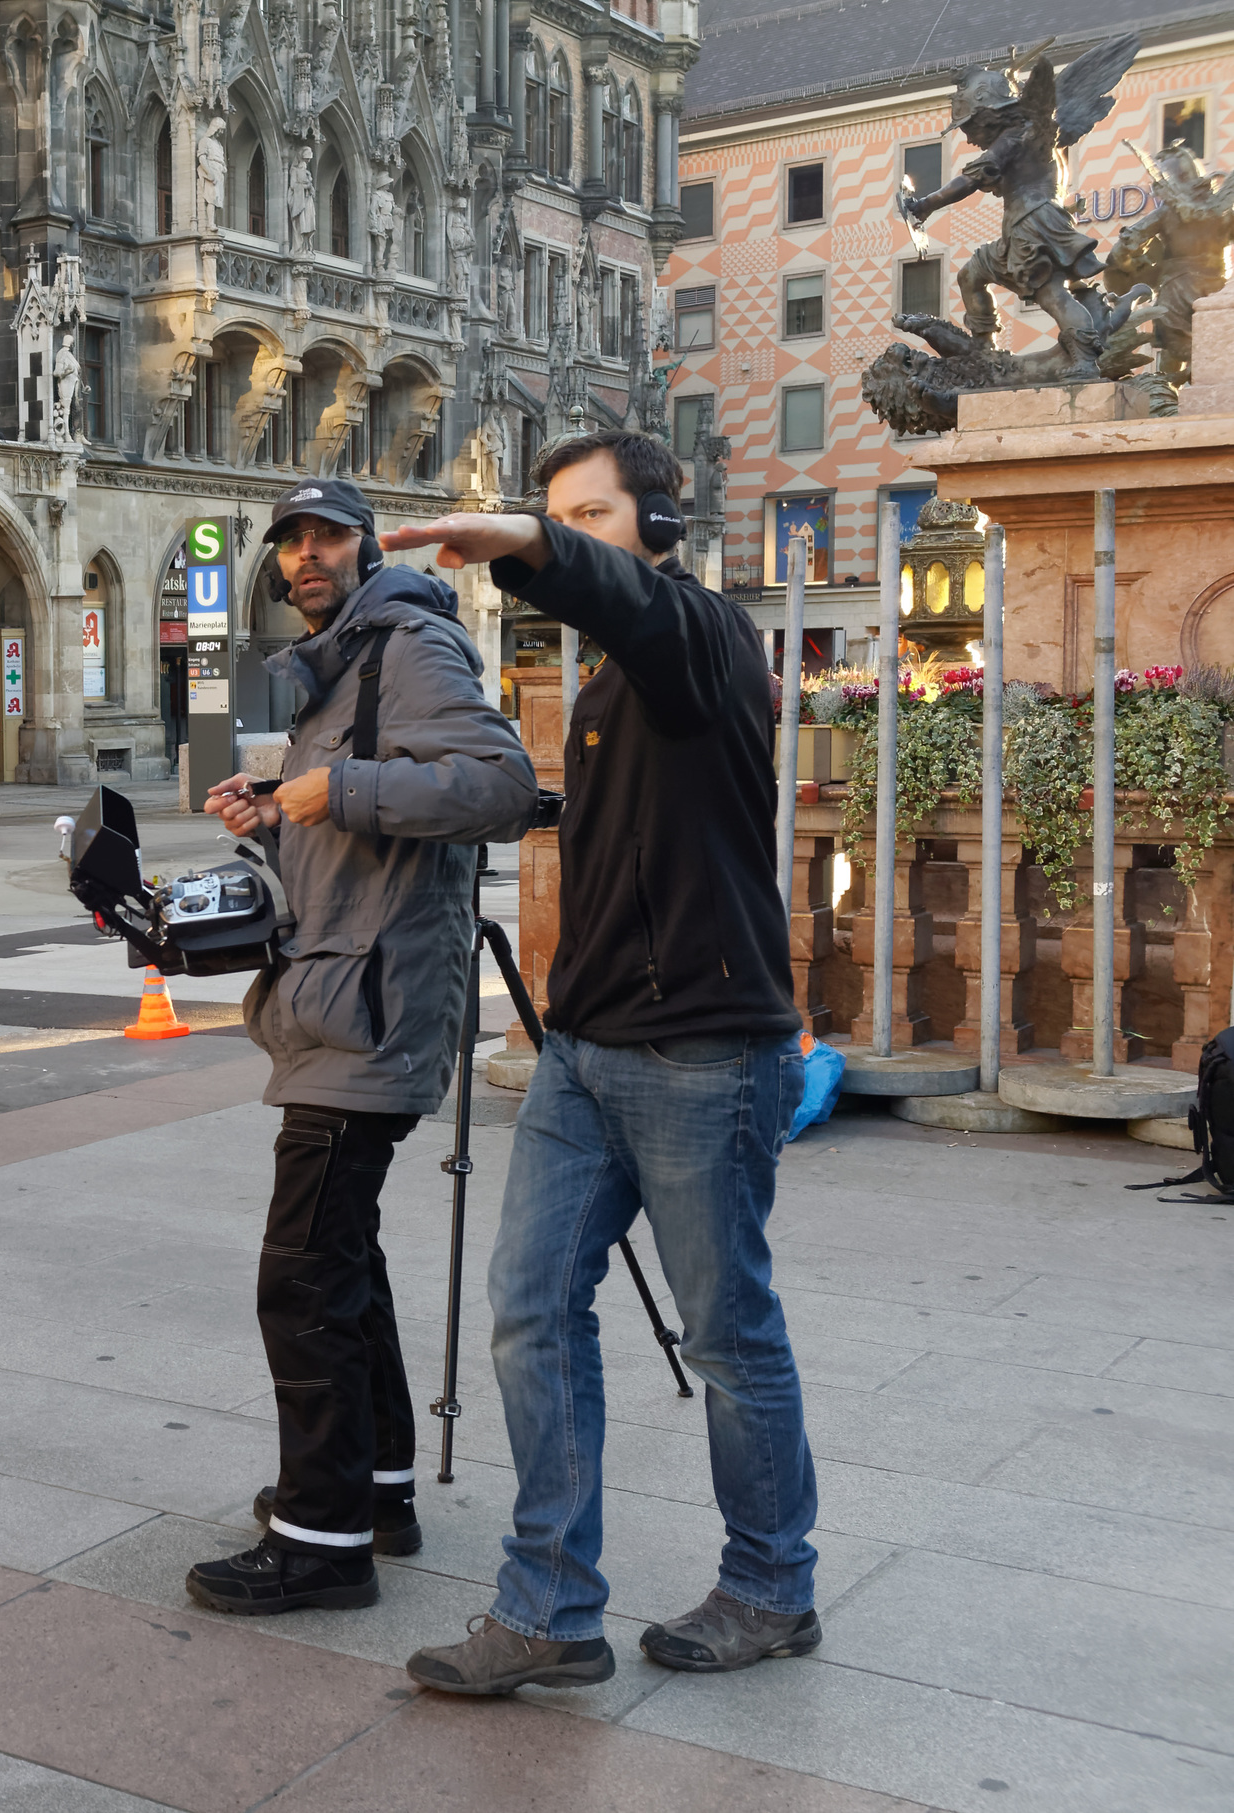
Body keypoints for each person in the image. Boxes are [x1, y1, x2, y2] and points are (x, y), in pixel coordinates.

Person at [383, 430, 818, 1694]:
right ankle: (550, 1610)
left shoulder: (697, 637)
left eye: (589, 515)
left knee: (727, 1335)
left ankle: (770, 1588)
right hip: (583, 1047)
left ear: (659, 527)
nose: (567, 531)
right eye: (553, 512)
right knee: (529, 1311)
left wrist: (523, 544)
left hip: (704, 1047)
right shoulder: (606, 689)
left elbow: (616, 596)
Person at [186, 476, 537, 1617]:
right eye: (288, 539)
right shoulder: (343, 662)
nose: (303, 555)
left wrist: (338, 788)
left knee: (302, 1277)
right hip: (342, 998)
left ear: (365, 544)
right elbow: (351, 842)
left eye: (325, 534)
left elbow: (498, 786)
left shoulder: (410, 645)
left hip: (373, 1014)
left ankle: (320, 1538)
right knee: (342, 1261)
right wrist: (278, 812)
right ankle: (375, 1489)